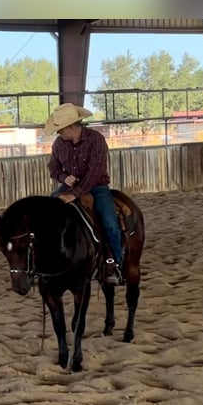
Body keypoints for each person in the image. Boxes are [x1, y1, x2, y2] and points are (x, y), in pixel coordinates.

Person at [45, 102, 124, 285]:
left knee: (110, 223)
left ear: (72, 126)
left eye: (61, 129)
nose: (59, 133)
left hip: (97, 186)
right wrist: (64, 177)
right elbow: (53, 166)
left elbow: (95, 172)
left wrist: (75, 193)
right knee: (47, 215)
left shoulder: (96, 140)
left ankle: (117, 264)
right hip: (69, 187)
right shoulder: (59, 144)